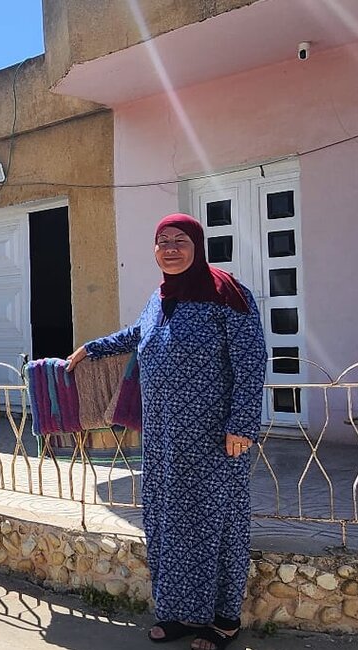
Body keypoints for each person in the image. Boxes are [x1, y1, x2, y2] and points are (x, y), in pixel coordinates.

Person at [67, 213, 266, 649]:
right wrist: (93, 348)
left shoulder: (227, 294)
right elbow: (139, 334)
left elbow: (251, 363)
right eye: (162, 241)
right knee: (168, 524)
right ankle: (179, 614)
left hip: (215, 438)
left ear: (197, 245)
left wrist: (243, 425)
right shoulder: (160, 297)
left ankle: (223, 620)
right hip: (164, 436)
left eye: (180, 240)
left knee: (217, 524)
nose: (170, 248)